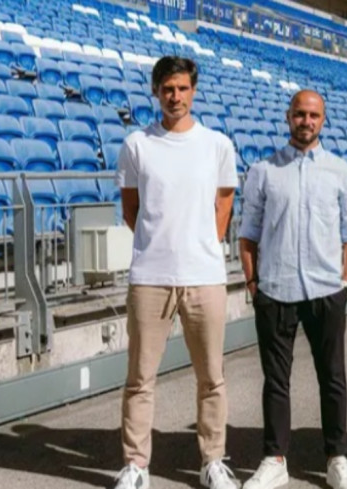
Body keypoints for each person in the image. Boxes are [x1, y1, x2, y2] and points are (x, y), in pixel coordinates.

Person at [113, 56, 240, 489]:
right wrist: (161, 243)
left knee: (212, 378)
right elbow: (131, 209)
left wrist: (201, 242)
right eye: (168, 89)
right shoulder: (137, 144)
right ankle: (136, 465)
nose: (175, 96)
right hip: (150, 277)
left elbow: (224, 202)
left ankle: (212, 461)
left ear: (193, 91)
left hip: (204, 276)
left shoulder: (217, 144)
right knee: (139, 379)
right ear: (156, 91)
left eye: (183, 88)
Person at [238, 90, 347, 489]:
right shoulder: (264, 171)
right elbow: (248, 233)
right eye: (299, 114)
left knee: (333, 378)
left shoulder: (341, 172)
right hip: (276, 290)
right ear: (288, 116)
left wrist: (346, 281)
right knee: (276, 380)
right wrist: (254, 284)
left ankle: (337, 458)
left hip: (327, 290)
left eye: (313, 115)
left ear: (323, 120)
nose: (306, 121)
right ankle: (275, 459)